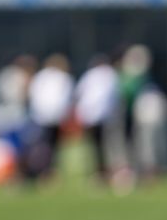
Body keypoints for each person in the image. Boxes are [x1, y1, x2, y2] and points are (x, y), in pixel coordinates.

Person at [25, 54, 73, 181]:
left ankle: (42, 171)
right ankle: (46, 171)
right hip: (52, 116)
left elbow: (32, 94)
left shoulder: (41, 77)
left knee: (41, 145)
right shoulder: (63, 78)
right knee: (50, 146)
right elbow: (66, 98)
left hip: (40, 116)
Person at [73, 53, 119, 181]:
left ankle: (101, 171)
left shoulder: (90, 75)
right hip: (104, 116)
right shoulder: (110, 74)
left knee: (95, 147)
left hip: (90, 116)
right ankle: (104, 171)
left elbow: (79, 93)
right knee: (105, 146)